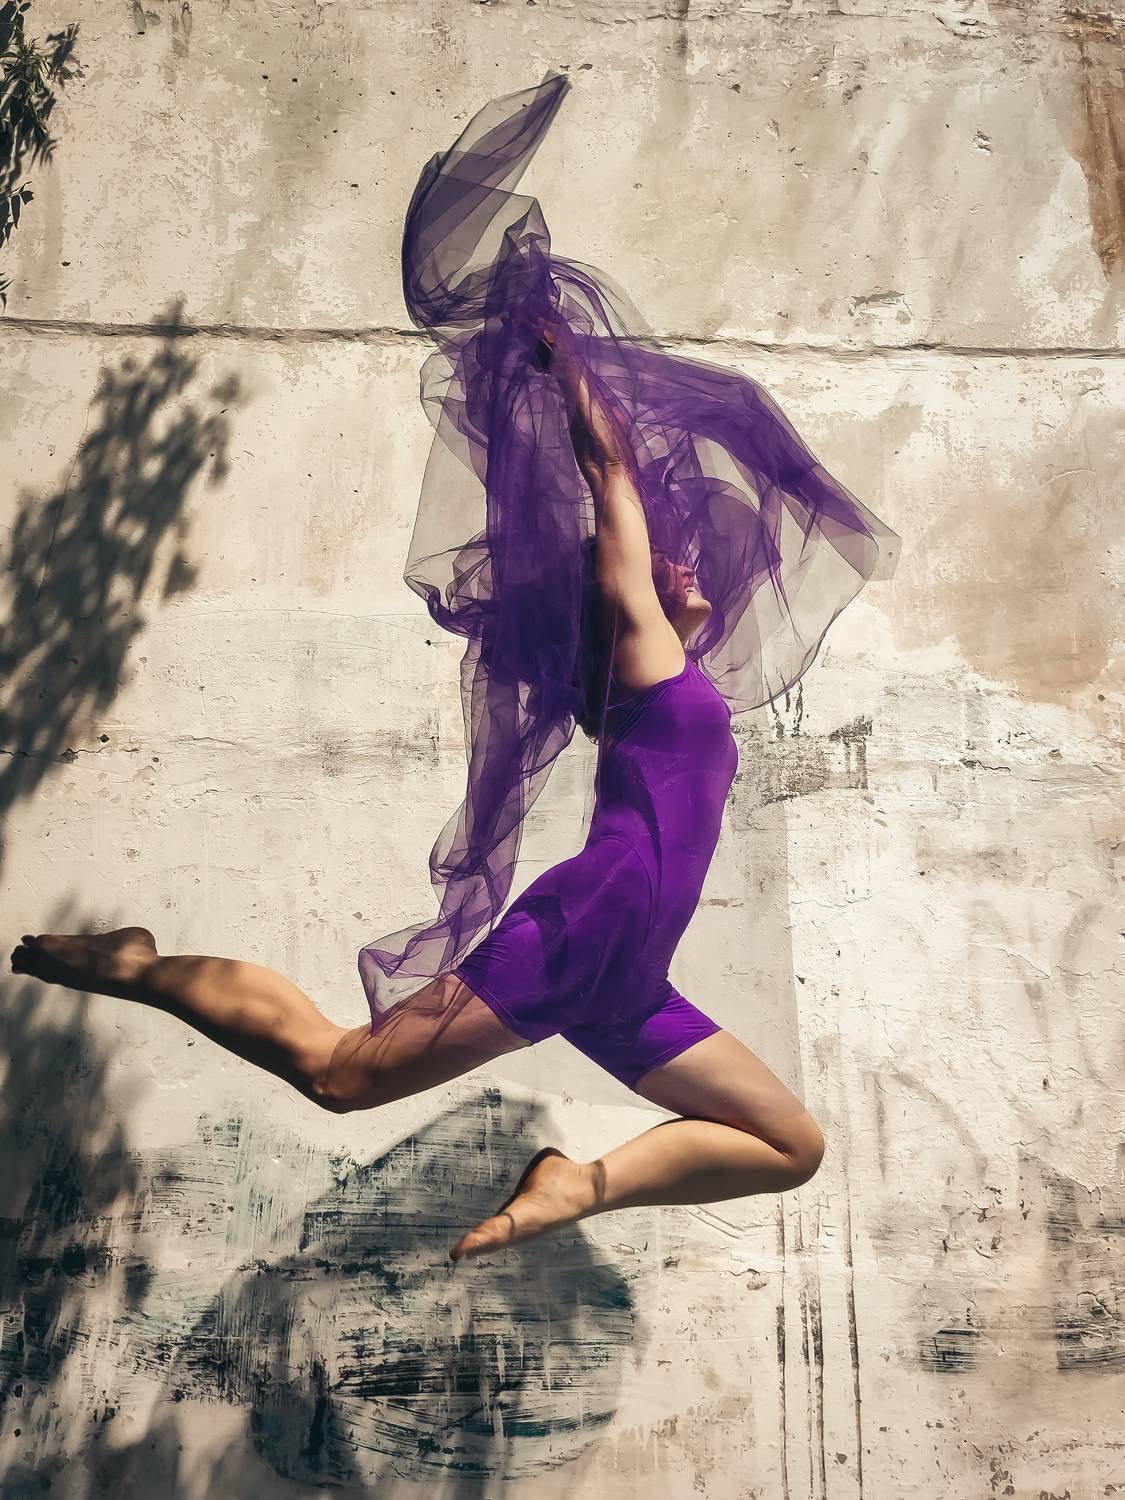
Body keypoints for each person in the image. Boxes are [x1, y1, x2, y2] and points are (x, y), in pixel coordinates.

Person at [8, 325, 827, 1264]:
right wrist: (570, 370)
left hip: (629, 973)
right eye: (650, 565)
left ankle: (580, 1185)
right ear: (615, 602)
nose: (679, 563)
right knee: (339, 1074)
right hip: (580, 932)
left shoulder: (661, 680)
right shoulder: (643, 667)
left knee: (790, 1146)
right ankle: (137, 967)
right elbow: (611, 476)